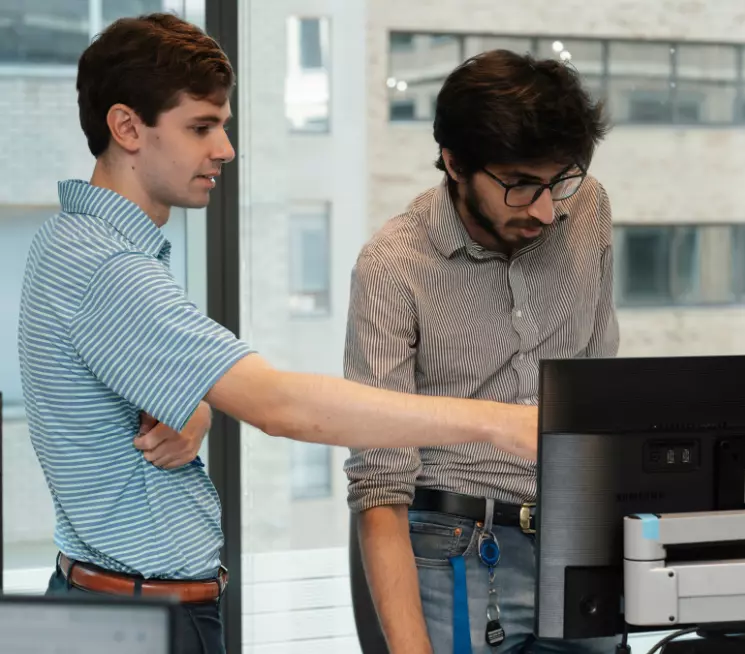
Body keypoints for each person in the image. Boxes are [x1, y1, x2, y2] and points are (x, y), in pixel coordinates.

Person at [17, 15, 536, 654]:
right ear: (127, 128)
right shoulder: (107, 267)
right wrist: (495, 423)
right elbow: (282, 407)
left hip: (109, 605)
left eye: (224, 126)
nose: (225, 149)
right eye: (200, 127)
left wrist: (195, 403)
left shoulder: (72, 241)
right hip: (129, 621)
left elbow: (115, 373)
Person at [344, 49, 619, 654]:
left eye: (559, 180)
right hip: (450, 555)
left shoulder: (588, 207)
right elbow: (380, 482)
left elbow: (601, 384)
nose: (547, 210)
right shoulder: (392, 265)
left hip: (579, 541)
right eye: (520, 186)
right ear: (454, 163)